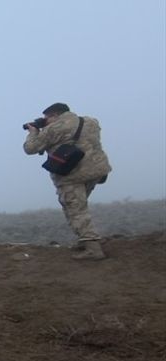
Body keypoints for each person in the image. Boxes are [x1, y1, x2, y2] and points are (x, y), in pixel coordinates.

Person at [23, 102, 113, 260]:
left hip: (72, 176)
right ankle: (85, 239)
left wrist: (34, 132)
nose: (46, 121)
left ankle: (93, 248)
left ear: (55, 115)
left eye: (47, 118)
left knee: (75, 210)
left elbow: (30, 148)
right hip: (97, 170)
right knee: (80, 206)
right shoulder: (91, 121)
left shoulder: (54, 129)